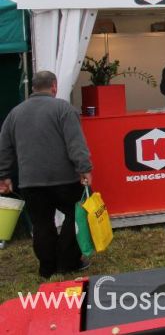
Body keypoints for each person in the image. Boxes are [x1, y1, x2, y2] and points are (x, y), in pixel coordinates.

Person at [0, 71, 93, 278]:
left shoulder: (15, 113)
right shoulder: (63, 109)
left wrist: (4, 175)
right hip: (65, 179)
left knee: (42, 223)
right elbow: (75, 142)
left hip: (30, 181)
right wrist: (84, 168)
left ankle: (47, 266)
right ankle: (68, 261)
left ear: (33, 88)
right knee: (76, 215)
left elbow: (4, 147)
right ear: (54, 86)